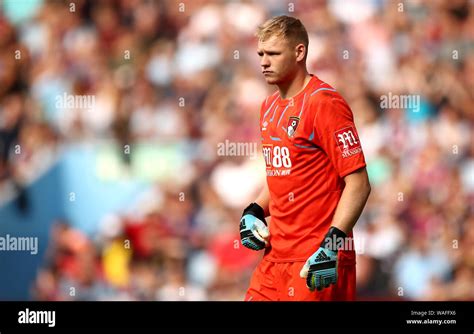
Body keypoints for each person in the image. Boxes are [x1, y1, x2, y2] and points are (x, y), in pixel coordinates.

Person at [239, 15, 371, 301]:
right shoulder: (269, 106)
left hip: (316, 259)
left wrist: (331, 246)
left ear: (299, 52)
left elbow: (359, 184)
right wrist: (255, 210)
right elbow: (285, 175)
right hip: (275, 257)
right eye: (261, 53)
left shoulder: (324, 103)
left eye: (273, 54)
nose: (263, 62)